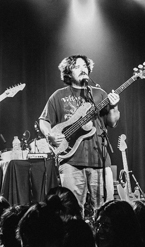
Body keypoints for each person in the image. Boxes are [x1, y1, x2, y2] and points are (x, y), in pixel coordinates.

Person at [37, 55, 120, 212]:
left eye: (85, 66)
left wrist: (114, 106)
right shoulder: (58, 95)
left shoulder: (100, 94)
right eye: (77, 66)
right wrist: (49, 135)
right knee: (71, 210)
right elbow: (44, 120)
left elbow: (112, 122)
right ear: (68, 73)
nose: (83, 69)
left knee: (105, 209)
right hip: (70, 160)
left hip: (99, 159)